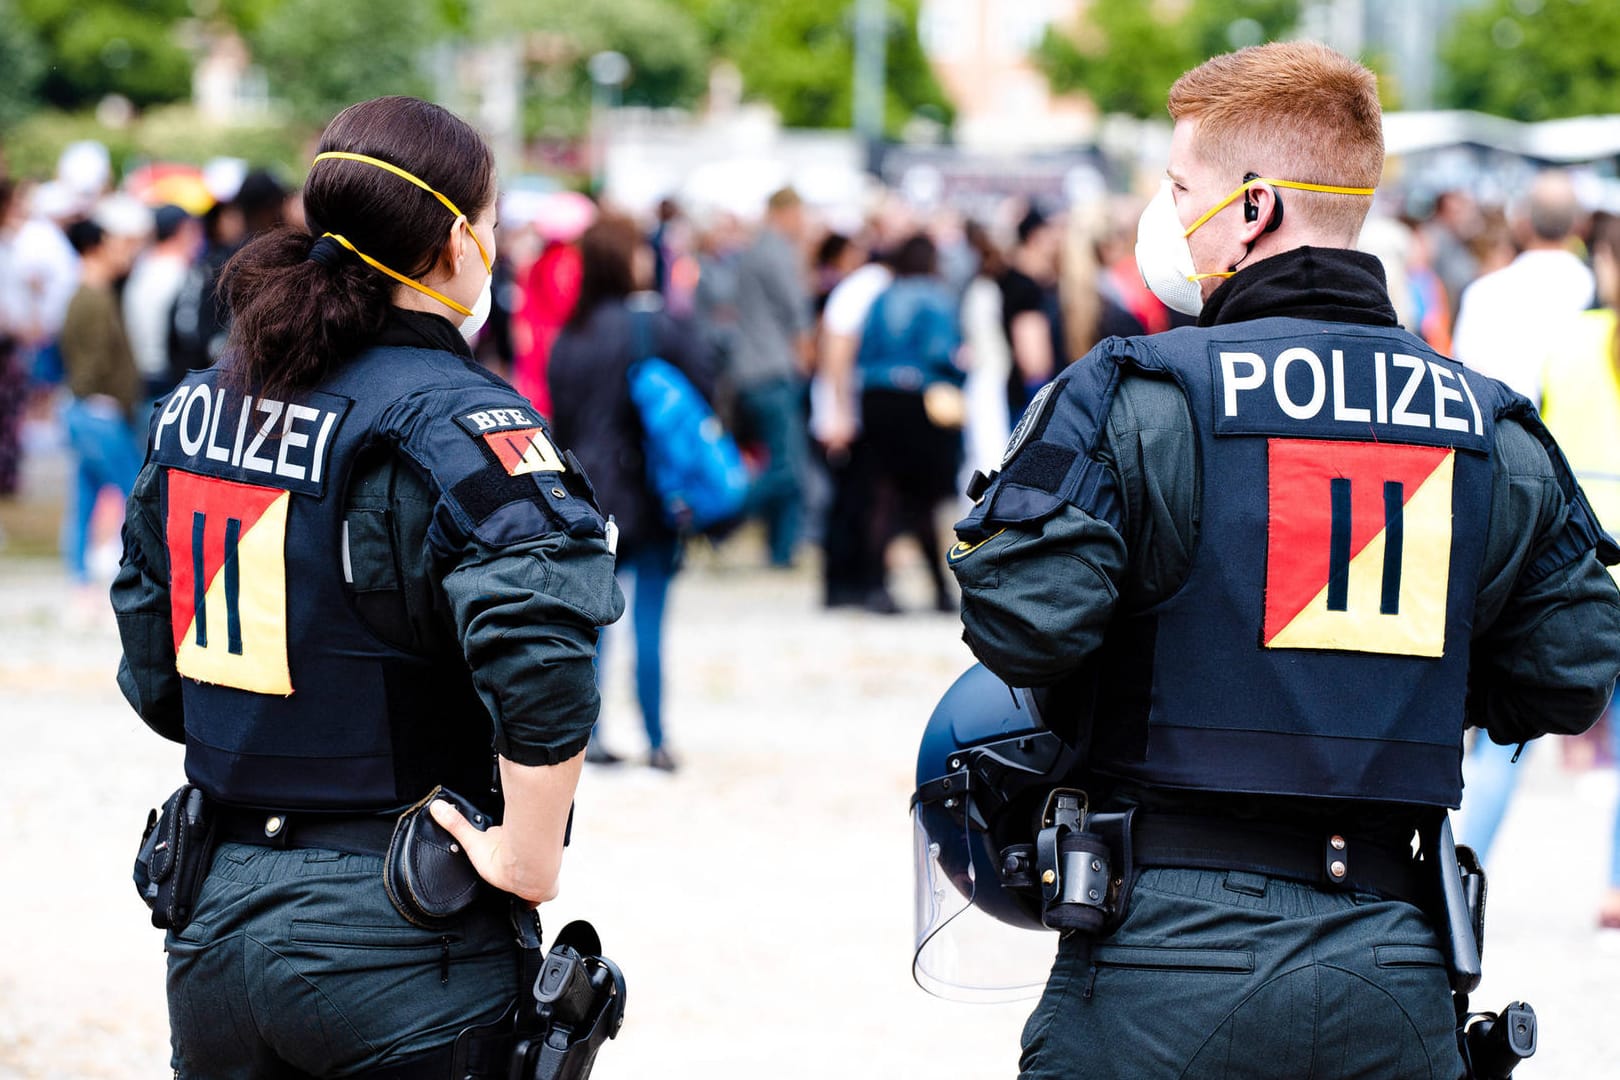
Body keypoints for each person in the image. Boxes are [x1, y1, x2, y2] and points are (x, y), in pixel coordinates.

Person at [947, 43, 1620, 1078]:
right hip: (1394, 968)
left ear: (1253, 206)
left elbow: (1025, 619)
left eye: (1181, 189)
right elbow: (1572, 670)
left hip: (1160, 956)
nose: (1166, 218)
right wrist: (1420, 680)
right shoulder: (1489, 424)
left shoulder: (1138, 395)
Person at [111, 95, 624, 1077]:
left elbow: (152, 661)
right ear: (452, 243)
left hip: (216, 908)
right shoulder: (458, 415)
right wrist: (528, 855)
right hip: (396, 930)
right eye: (494, 222)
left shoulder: (205, 399)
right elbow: (542, 634)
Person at [548, 213, 715, 773]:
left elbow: (561, 419)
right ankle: (657, 736)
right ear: (626, 260)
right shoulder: (653, 326)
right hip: (650, 487)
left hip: (587, 492)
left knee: (593, 621)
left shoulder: (569, 335)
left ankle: (591, 735)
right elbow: (706, 383)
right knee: (650, 618)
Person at [1536, 210, 1620, 932]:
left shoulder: (1573, 341)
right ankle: (1616, 887)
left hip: (1583, 556)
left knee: (1505, 748)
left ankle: (1466, 854)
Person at [852, 233, 962, 614]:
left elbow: (862, 351)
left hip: (876, 398)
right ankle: (938, 589)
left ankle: (874, 585)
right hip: (918, 400)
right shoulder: (936, 298)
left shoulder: (882, 297)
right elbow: (941, 352)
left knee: (884, 494)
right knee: (924, 500)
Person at [1452, 170, 1593, 405]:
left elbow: (1466, 377)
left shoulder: (1483, 294)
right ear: (1578, 226)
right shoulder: (1597, 290)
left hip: (1506, 433)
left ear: (1523, 224)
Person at [59, 217, 143, 593]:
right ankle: (131, 574)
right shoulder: (91, 297)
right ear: (96, 246)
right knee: (133, 494)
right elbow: (90, 364)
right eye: (113, 242)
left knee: (87, 494)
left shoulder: (91, 292)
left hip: (91, 410)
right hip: (98, 411)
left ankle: (79, 577)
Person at [732, 186, 812, 569]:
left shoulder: (752, 252)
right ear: (786, 212)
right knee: (785, 468)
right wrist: (809, 357)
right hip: (773, 369)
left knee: (782, 463)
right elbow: (796, 313)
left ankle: (781, 551)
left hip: (750, 369)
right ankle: (718, 510)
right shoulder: (777, 253)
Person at [123, 204, 199, 403]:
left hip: (141, 376)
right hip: (168, 381)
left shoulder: (143, 266)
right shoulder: (178, 273)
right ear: (184, 231)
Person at [997, 204, 1065, 420]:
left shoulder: (1015, 278)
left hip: (1023, 385)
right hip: (1032, 391)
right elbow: (1033, 357)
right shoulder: (1024, 286)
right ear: (1035, 237)